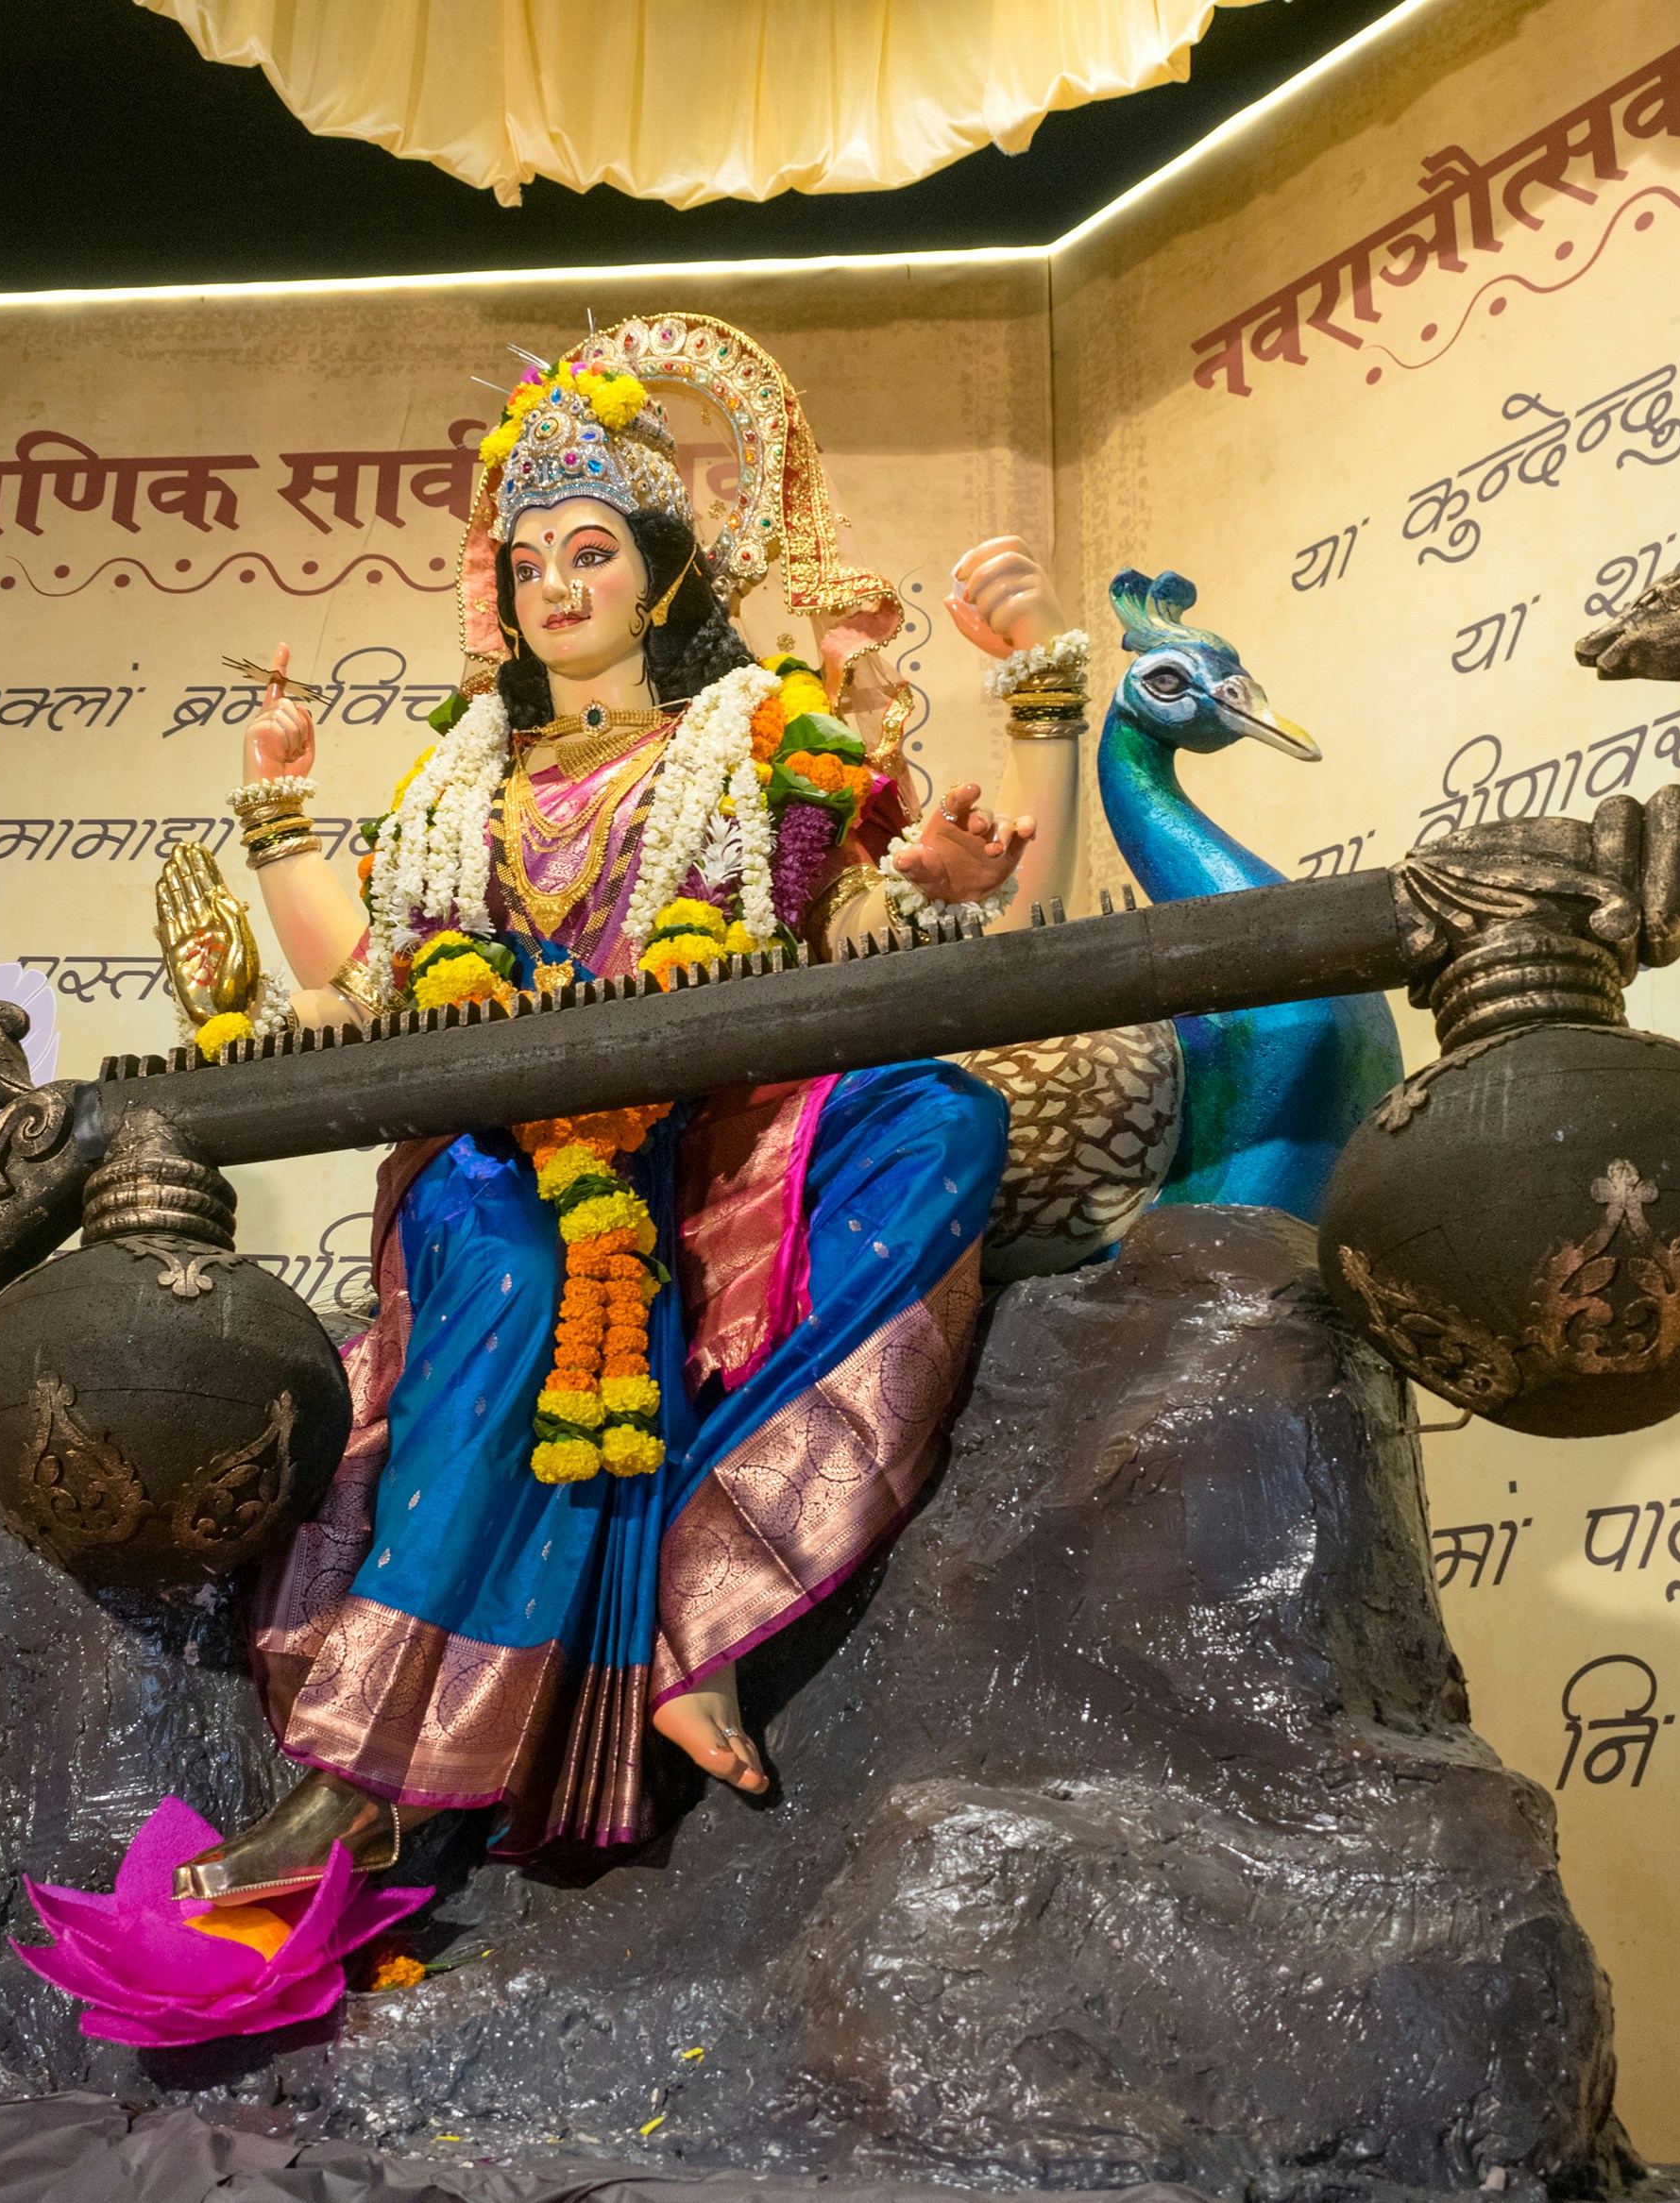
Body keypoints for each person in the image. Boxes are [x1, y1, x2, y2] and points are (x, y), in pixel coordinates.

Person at [155, 314, 1094, 1902]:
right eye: (529, 566)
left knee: (940, 1119)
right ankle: (365, 1780)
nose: (557, 589)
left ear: (663, 574)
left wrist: (1042, 718)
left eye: (591, 553)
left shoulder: (758, 747)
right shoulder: (463, 777)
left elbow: (965, 945)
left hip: (702, 1147)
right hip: (504, 1157)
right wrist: (275, 823)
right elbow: (373, 983)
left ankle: (697, 1579)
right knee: (524, 1274)